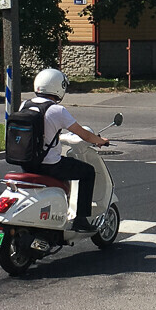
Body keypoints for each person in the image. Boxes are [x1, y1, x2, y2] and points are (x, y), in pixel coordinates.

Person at [24, 67, 109, 231]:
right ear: (59, 87)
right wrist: (100, 141)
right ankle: (81, 220)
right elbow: (84, 134)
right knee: (88, 172)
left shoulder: (25, 105)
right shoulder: (57, 110)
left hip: (27, 163)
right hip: (50, 165)